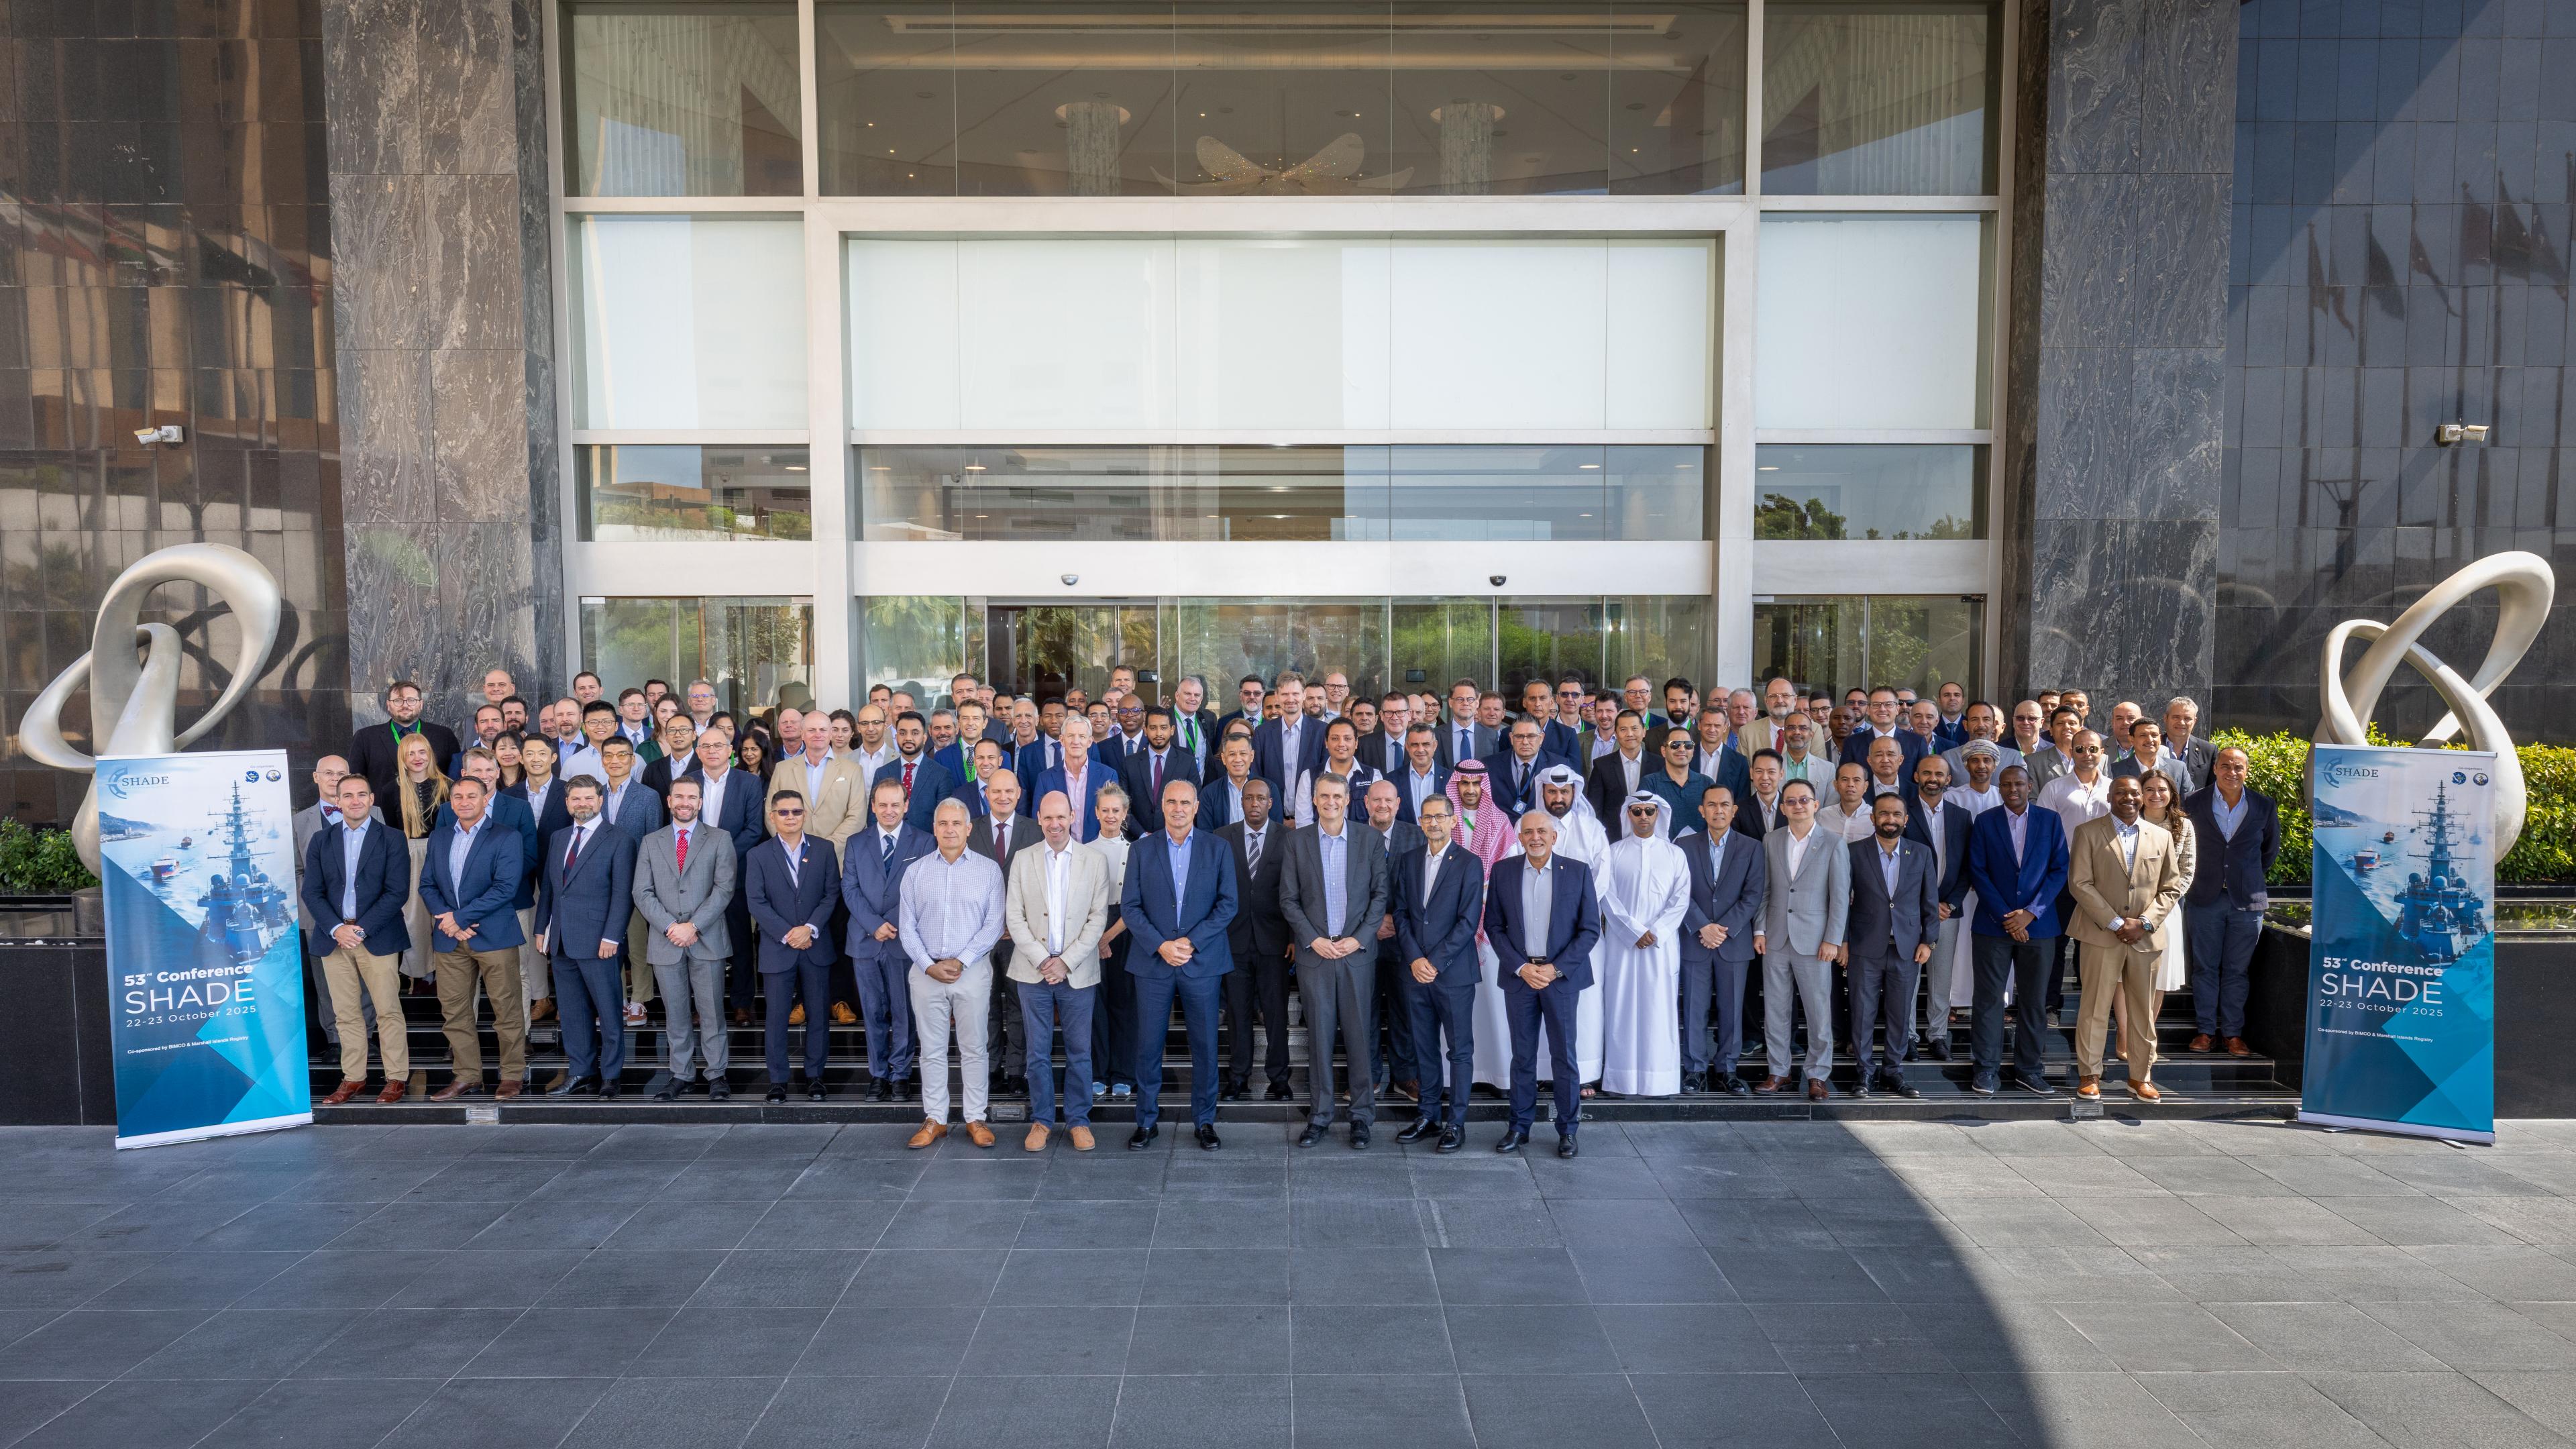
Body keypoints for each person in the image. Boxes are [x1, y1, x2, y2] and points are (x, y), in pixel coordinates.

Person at [1119, 777, 1240, 1150]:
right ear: (1162, 806)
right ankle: (1146, 1121)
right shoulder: (1142, 850)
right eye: (1171, 802)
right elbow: (1131, 907)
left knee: (1205, 1046)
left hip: (1201, 961)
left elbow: (1228, 904)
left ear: (1196, 807)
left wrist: (1190, 942)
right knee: (1148, 1046)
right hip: (1153, 963)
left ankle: (1205, 1122)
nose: (1178, 809)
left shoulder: (1218, 848)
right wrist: (1161, 945)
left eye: (1185, 803)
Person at [1280, 773, 1391, 1148]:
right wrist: (1313, 940)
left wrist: (1357, 939)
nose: (1330, 802)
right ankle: (1320, 1116)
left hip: (1356, 955)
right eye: (1324, 796)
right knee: (1319, 1039)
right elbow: (1288, 900)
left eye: (1337, 796)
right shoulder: (1297, 842)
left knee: (1360, 1038)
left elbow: (1379, 897)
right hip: (1316, 955)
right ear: (1314, 800)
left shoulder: (1370, 839)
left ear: (1348, 800)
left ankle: (1361, 1116)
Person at [1485, 810, 1603, 1157]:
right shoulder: (1503, 871)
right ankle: (1519, 1128)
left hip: (1560, 979)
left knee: (1563, 1056)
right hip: (1520, 978)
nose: (1535, 837)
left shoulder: (1578, 872)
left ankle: (1568, 1131)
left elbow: (1589, 929)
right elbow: (1494, 927)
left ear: (1554, 837)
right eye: (1528, 832)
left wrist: (1555, 969)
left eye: (1541, 832)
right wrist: (1521, 967)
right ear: (1520, 837)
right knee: (1522, 1057)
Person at [2066, 775, 2184, 1102]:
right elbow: (2079, 883)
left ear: (2142, 798)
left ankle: (2140, 1077)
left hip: (2145, 937)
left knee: (2143, 1011)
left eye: (2134, 793)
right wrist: (2117, 922)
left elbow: (2171, 887)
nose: (2129, 798)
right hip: (2101, 933)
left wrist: (2144, 923)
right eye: (2121, 793)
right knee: (2094, 1007)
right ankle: (2090, 1075)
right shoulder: (2088, 832)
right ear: (2109, 796)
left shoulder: (2161, 837)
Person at [1005, 791, 1111, 1151]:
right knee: (1037, 1052)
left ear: (1073, 816)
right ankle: (1042, 1120)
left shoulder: (1094, 861)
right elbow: (1014, 917)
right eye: (1048, 817)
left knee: (1079, 1050)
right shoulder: (1023, 859)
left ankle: (1079, 1120)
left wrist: (1066, 962)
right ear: (1039, 818)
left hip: (1077, 972)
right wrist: (1042, 960)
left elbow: (1098, 918)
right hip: (1032, 971)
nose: (1055, 824)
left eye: (1061, 817)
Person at [900, 798, 1006, 1148]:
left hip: (971, 971)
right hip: (926, 971)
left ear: (969, 828)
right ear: (934, 828)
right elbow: (907, 927)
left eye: (956, 823)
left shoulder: (988, 871)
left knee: (974, 1047)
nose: (950, 830)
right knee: (931, 1049)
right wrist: (928, 964)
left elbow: (994, 924)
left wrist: (961, 960)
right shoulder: (916, 872)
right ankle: (936, 1119)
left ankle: (976, 1117)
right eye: (943, 823)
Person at [304, 773, 415, 1104]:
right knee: (345, 1014)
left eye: (362, 794)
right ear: (337, 802)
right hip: (334, 939)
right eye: (348, 795)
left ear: (372, 799)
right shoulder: (321, 841)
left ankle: (396, 1078)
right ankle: (353, 1078)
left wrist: (361, 929)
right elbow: (312, 892)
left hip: (376, 936)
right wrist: (336, 928)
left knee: (387, 1011)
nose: (356, 801)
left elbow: (397, 892)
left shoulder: (392, 838)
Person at [419, 774, 527, 1102]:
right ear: (451, 802)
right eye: (458, 797)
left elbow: (505, 887)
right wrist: (448, 918)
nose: (464, 802)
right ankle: (467, 1076)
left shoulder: (506, 836)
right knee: (455, 1011)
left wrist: (460, 918)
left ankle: (512, 1075)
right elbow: (427, 885)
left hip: (494, 936)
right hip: (450, 939)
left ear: (485, 800)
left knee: (506, 1010)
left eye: (471, 796)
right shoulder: (439, 837)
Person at [1964, 766, 2070, 1097]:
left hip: (2039, 926)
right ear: (1999, 787)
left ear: (2030, 786)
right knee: (1988, 1000)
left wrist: (2030, 913)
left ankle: (2029, 1070)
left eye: (2019, 784)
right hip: (1992, 926)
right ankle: (1986, 1070)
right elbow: (1977, 871)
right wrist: (2007, 917)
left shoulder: (2050, 821)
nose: (2013, 789)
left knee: (2035, 1002)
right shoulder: (1985, 821)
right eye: (2007, 784)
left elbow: (2059, 870)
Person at [634, 777, 739, 1102]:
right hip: (666, 941)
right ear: (669, 801)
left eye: (692, 797)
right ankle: (681, 1075)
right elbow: (642, 891)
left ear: (700, 802)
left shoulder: (720, 838)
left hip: (706, 939)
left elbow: (724, 889)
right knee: (676, 1014)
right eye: (679, 796)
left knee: (712, 1013)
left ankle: (717, 1074)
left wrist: (693, 926)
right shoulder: (651, 842)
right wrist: (670, 926)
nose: (685, 803)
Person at [1392, 793, 1483, 1151]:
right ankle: (1428, 1115)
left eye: (1439, 817)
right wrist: (1415, 959)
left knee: (1459, 1051)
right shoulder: (1409, 860)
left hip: (1453, 974)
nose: (1433, 823)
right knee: (1424, 1047)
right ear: (1421, 822)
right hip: (1416, 973)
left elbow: (1468, 921)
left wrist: (1434, 961)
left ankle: (1456, 1123)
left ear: (1453, 820)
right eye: (1427, 817)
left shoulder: (1469, 863)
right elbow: (1400, 913)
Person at [535, 777, 635, 1099]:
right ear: (567, 803)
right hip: (562, 940)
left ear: (600, 801)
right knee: (573, 1014)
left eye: (589, 798)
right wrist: (542, 928)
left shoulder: (619, 839)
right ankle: (581, 1072)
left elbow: (623, 893)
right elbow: (550, 888)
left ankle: (611, 1076)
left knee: (608, 1010)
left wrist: (613, 936)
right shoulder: (559, 837)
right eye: (576, 799)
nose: (582, 804)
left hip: (599, 942)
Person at [2181, 746, 2279, 1057]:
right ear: (2215, 769)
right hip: (2204, 898)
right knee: (2204, 968)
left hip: (2246, 901)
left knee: (2238, 971)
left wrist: (2243, 876)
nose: (2232, 772)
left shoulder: (2263, 805)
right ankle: (2205, 1031)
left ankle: (2233, 1034)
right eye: (2226, 766)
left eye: (2238, 767)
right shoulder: (2193, 802)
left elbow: (2269, 851)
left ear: (2246, 771)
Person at [1753, 780, 1847, 1101]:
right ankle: (1779, 1071)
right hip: (1776, 938)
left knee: (1818, 1011)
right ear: (1783, 808)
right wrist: (1760, 930)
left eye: (1804, 800)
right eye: (1791, 801)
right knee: (1775, 1009)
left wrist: (1833, 939)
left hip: (1816, 941)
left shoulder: (1833, 843)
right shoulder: (1771, 840)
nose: (1798, 806)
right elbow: (1765, 890)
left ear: (1816, 804)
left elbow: (1840, 897)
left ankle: (1818, 1075)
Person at [745, 790, 840, 1102]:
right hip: (778, 948)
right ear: (772, 817)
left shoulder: (824, 849)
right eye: (783, 812)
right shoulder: (758, 855)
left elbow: (831, 894)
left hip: (816, 946)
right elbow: (756, 901)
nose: (790, 817)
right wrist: (788, 934)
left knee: (818, 1015)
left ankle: (815, 1076)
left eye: (796, 812)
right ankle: (777, 1080)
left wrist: (809, 929)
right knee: (776, 1018)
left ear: (805, 815)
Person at [843, 777, 933, 1101]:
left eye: (896, 804)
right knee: (872, 1011)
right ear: (873, 807)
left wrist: (889, 923)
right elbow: (849, 889)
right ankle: (878, 1074)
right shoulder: (856, 842)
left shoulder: (924, 841)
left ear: (906, 806)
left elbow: (923, 888)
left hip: (902, 939)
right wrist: (873, 924)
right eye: (882, 804)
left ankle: (901, 1073)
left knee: (903, 1010)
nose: (889, 810)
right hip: (864, 940)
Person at [1594, 792, 1690, 1097]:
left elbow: (1681, 899)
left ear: (1659, 814)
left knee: (1658, 1010)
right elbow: (1606, 895)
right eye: (1637, 811)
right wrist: (1633, 931)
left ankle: (1659, 1081)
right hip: (1622, 945)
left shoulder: (1675, 854)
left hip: (1661, 946)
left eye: (1650, 811)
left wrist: (1656, 931)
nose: (1644, 816)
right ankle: (1620, 1081)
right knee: (1620, 1008)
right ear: (1629, 814)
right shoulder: (1613, 852)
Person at [1843, 794, 1938, 1099]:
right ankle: (1864, 1071)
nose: (1890, 819)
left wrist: (1928, 940)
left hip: (1906, 948)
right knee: (1862, 1012)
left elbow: (1930, 901)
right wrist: (1843, 941)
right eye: (1884, 814)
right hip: (1864, 946)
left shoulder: (1921, 853)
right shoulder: (1853, 852)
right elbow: (1841, 900)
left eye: (1897, 814)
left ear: (1906, 819)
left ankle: (1893, 1071)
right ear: (1873, 818)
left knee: (1900, 1013)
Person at [1680, 786, 1764, 1097]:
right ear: (1702, 811)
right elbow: (1679, 891)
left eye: (1724, 805)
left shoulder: (1752, 847)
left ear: (1734, 810)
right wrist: (1702, 926)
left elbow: (1753, 895)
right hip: (1696, 940)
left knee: (1732, 1010)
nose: (1718, 810)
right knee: (1694, 1008)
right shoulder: (1684, 845)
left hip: (1733, 942)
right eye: (1712, 805)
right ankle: (1695, 1070)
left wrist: (1723, 929)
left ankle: (1727, 1069)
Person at [1216, 777, 1293, 1102]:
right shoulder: (1223, 837)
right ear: (1242, 802)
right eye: (1249, 798)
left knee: (1276, 1013)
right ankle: (1238, 1078)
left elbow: (1296, 889)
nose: (1255, 804)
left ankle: (1280, 1079)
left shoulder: (1288, 838)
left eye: (1261, 798)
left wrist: (1293, 935)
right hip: (1233, 941)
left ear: (1271, 803)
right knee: (1238, 1013)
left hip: (1275, 942)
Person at [968, 769, 1038, 1093]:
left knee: (1018, 1005)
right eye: (996, 791)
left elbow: (1040, 885)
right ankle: (991, 1067)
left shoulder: (1034, 830)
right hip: (980, 937)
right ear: (986, 794)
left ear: (1019, 794)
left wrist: (1016, 924)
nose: (1003, 797)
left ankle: (1017, 1072)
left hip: (1020, 937)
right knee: (985, 1005)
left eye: (1009, 791)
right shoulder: (971, 830)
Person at [1904, 755, 1975, 1062]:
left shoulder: (1961, 816)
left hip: (1948, 911)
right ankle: (1907, 1037)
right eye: (1927, 773)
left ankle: (1937, 1036)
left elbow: (1968, 866)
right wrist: (1925, 905)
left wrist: (1950, 903)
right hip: (1909, 912)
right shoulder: (1902, 811)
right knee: (1908, 978)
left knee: (1941, 977)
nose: (1933, 778)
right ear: (1917, 776)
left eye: (1939, 774)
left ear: (1949, 779)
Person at [2133, 769, 2198, 1040]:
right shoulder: (2129, 820)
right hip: (2129, 909)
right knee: (2124, 977)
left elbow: (2187, 871)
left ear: (2172, 793)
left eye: (2162, 789)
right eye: (2149, 789)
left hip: (2166, 910)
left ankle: (2146, 1035)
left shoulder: (2183, 826)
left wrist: (2161, 905)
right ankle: (2126, 1034)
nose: (2156, 795)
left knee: (2159, 977)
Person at [1087, 786, 1138, 1101]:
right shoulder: (1083, 851)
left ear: (1125, 814)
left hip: (1125, 929)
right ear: (1096, 813)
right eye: (1105, 810)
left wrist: (1108, 937)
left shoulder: (1136, 851)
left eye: (1116, 810)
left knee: (1125, 1003)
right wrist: (1097, 937)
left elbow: (1136, 903)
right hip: (1090, 931)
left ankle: (1124, 1074)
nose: (1110, 816)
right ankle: (1098, 1073)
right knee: (1096, 1005)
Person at [391, 732, 448, 987]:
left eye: (422, 752)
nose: (417, 758)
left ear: (430, 755)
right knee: (414, 917)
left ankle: (446, 969)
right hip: (409, 855)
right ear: (402, 758)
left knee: (443, 913)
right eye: (410, 753)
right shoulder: (392, 790)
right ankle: (420, 972)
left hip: (441, 852)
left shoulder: (447, 786)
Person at [348, 678, 460, 803]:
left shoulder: (444, 735)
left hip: (434, 810)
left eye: (411, 700)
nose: (405, 705)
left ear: (421, 704)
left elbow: (454, 778)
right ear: (388, 705)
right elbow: (356, 780)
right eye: (398, 701)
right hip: (384, 811)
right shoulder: (365, 737)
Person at [873, 710, 955, 834]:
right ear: (896, 737)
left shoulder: (941, 774)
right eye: (903, 733)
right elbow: (873, 816)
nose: (908, 738)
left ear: (924, 738)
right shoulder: (882, 773)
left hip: (927, 843)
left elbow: (943, 818)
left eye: (915, 733)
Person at [1034, 715, 1111, 842]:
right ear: (1062, 740)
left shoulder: (1108, 775)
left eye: (1082, 736)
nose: (1076, 741)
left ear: (1090, 741)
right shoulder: (1045, 778)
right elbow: (1039, 820)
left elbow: (1112, 817)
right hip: (1059, 848)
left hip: (1098, 848)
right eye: (1071, 736)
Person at [1292, 718, 1379, 826]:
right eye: (1335, 739)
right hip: (1318, 837)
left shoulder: (1373, 776)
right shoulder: (1308, 777)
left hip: (1361, 838)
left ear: (1356, 743)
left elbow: (1376, 819)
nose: (1341, 744)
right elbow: (1303, 823)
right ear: (1326, 743)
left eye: (1347, 739)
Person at [1642, 724, 1715, 836]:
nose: (1682, 749)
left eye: (1688, 745)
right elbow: (1643, 823)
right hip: (1661, 846)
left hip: (1701, 847)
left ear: (1693, 751)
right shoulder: (1650, 783)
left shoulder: (1707, 783)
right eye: (1675, 745)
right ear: (1663, 751)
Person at [1582, 709, 1650, 826]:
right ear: (1616, 734)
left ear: (1644, 732)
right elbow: (1595, 808)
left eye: (1635, 728)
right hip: (1613, 832)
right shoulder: (1601, 766)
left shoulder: (1658, 764)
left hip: (1649, 832)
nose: (1629, 734)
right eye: (1623, 729)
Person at [1394, 724, 1450, 824]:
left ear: (1435, 745)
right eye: (1415, 745)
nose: (1420, 750)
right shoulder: (1392, 780)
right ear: (1407, 746)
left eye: (1426, 744)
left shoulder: (1450, 779)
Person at [2163, 697, 2216, 787]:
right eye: (2176, 717)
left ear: (2195, 721)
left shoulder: (2208, 750)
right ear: (2165, 718)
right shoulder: (2153, 746)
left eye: (2187, 718)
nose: (2182, 722)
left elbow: (2213, 788)